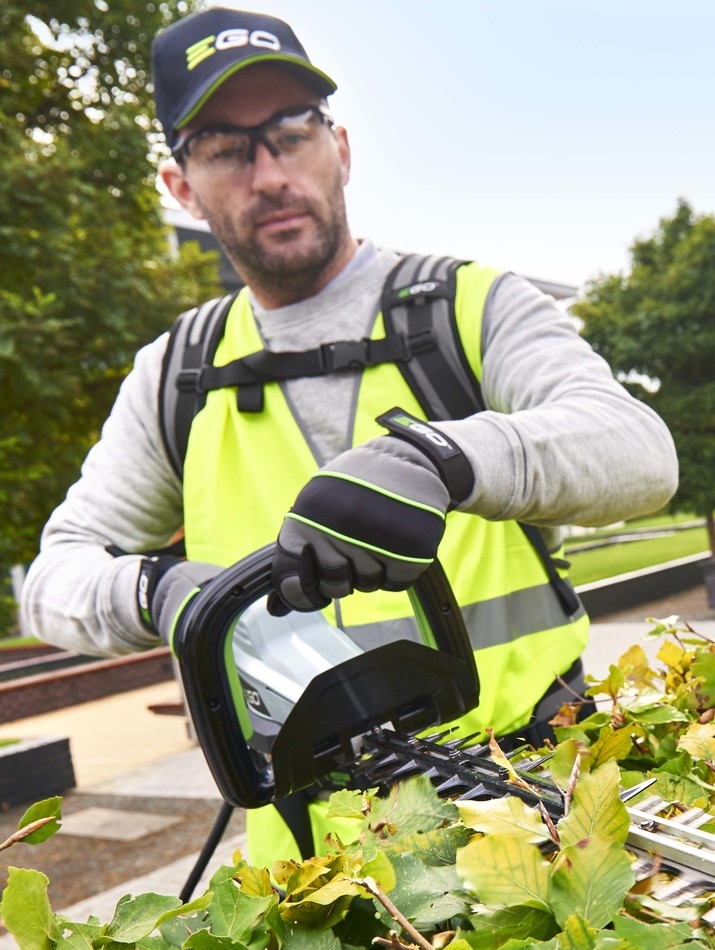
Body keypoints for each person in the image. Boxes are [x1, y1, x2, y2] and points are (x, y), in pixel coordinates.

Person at [21, 7, 678, 861]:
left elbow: (639, 451)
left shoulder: (469, 307)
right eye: (225, 148)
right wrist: (161, 592)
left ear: (340, 146)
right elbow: (52, 578)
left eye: (291, 133)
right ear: (181, 185)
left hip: (538, 812)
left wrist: (445, 458)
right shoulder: (174, 373)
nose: (268, 175)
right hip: (310, 877)